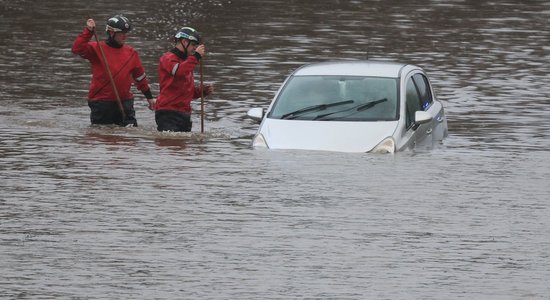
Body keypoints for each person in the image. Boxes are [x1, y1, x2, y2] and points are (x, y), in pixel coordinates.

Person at [71, 15, 156, 127]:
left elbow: (140, 77)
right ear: (111, 32)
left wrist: (149, 98)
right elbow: (76, 49)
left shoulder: (132, 53)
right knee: (103, 138)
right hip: (102, 103)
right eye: (122, 33)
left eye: (126, 32)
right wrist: (88, 31)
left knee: (129, 139)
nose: (125, 36)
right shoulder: (97, 48)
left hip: (125, 102)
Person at [155, 27, 214, 132]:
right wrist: (196, 57)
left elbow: (187, 92)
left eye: (196, 46)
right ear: (184, 41)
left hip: (184, 114)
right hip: (168, 113)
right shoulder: (168, 58)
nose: (194, 49)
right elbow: (178, 71)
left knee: (183, 146)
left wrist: (201, 91)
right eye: (193, 45)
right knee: (171, 146)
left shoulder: (187, 62)